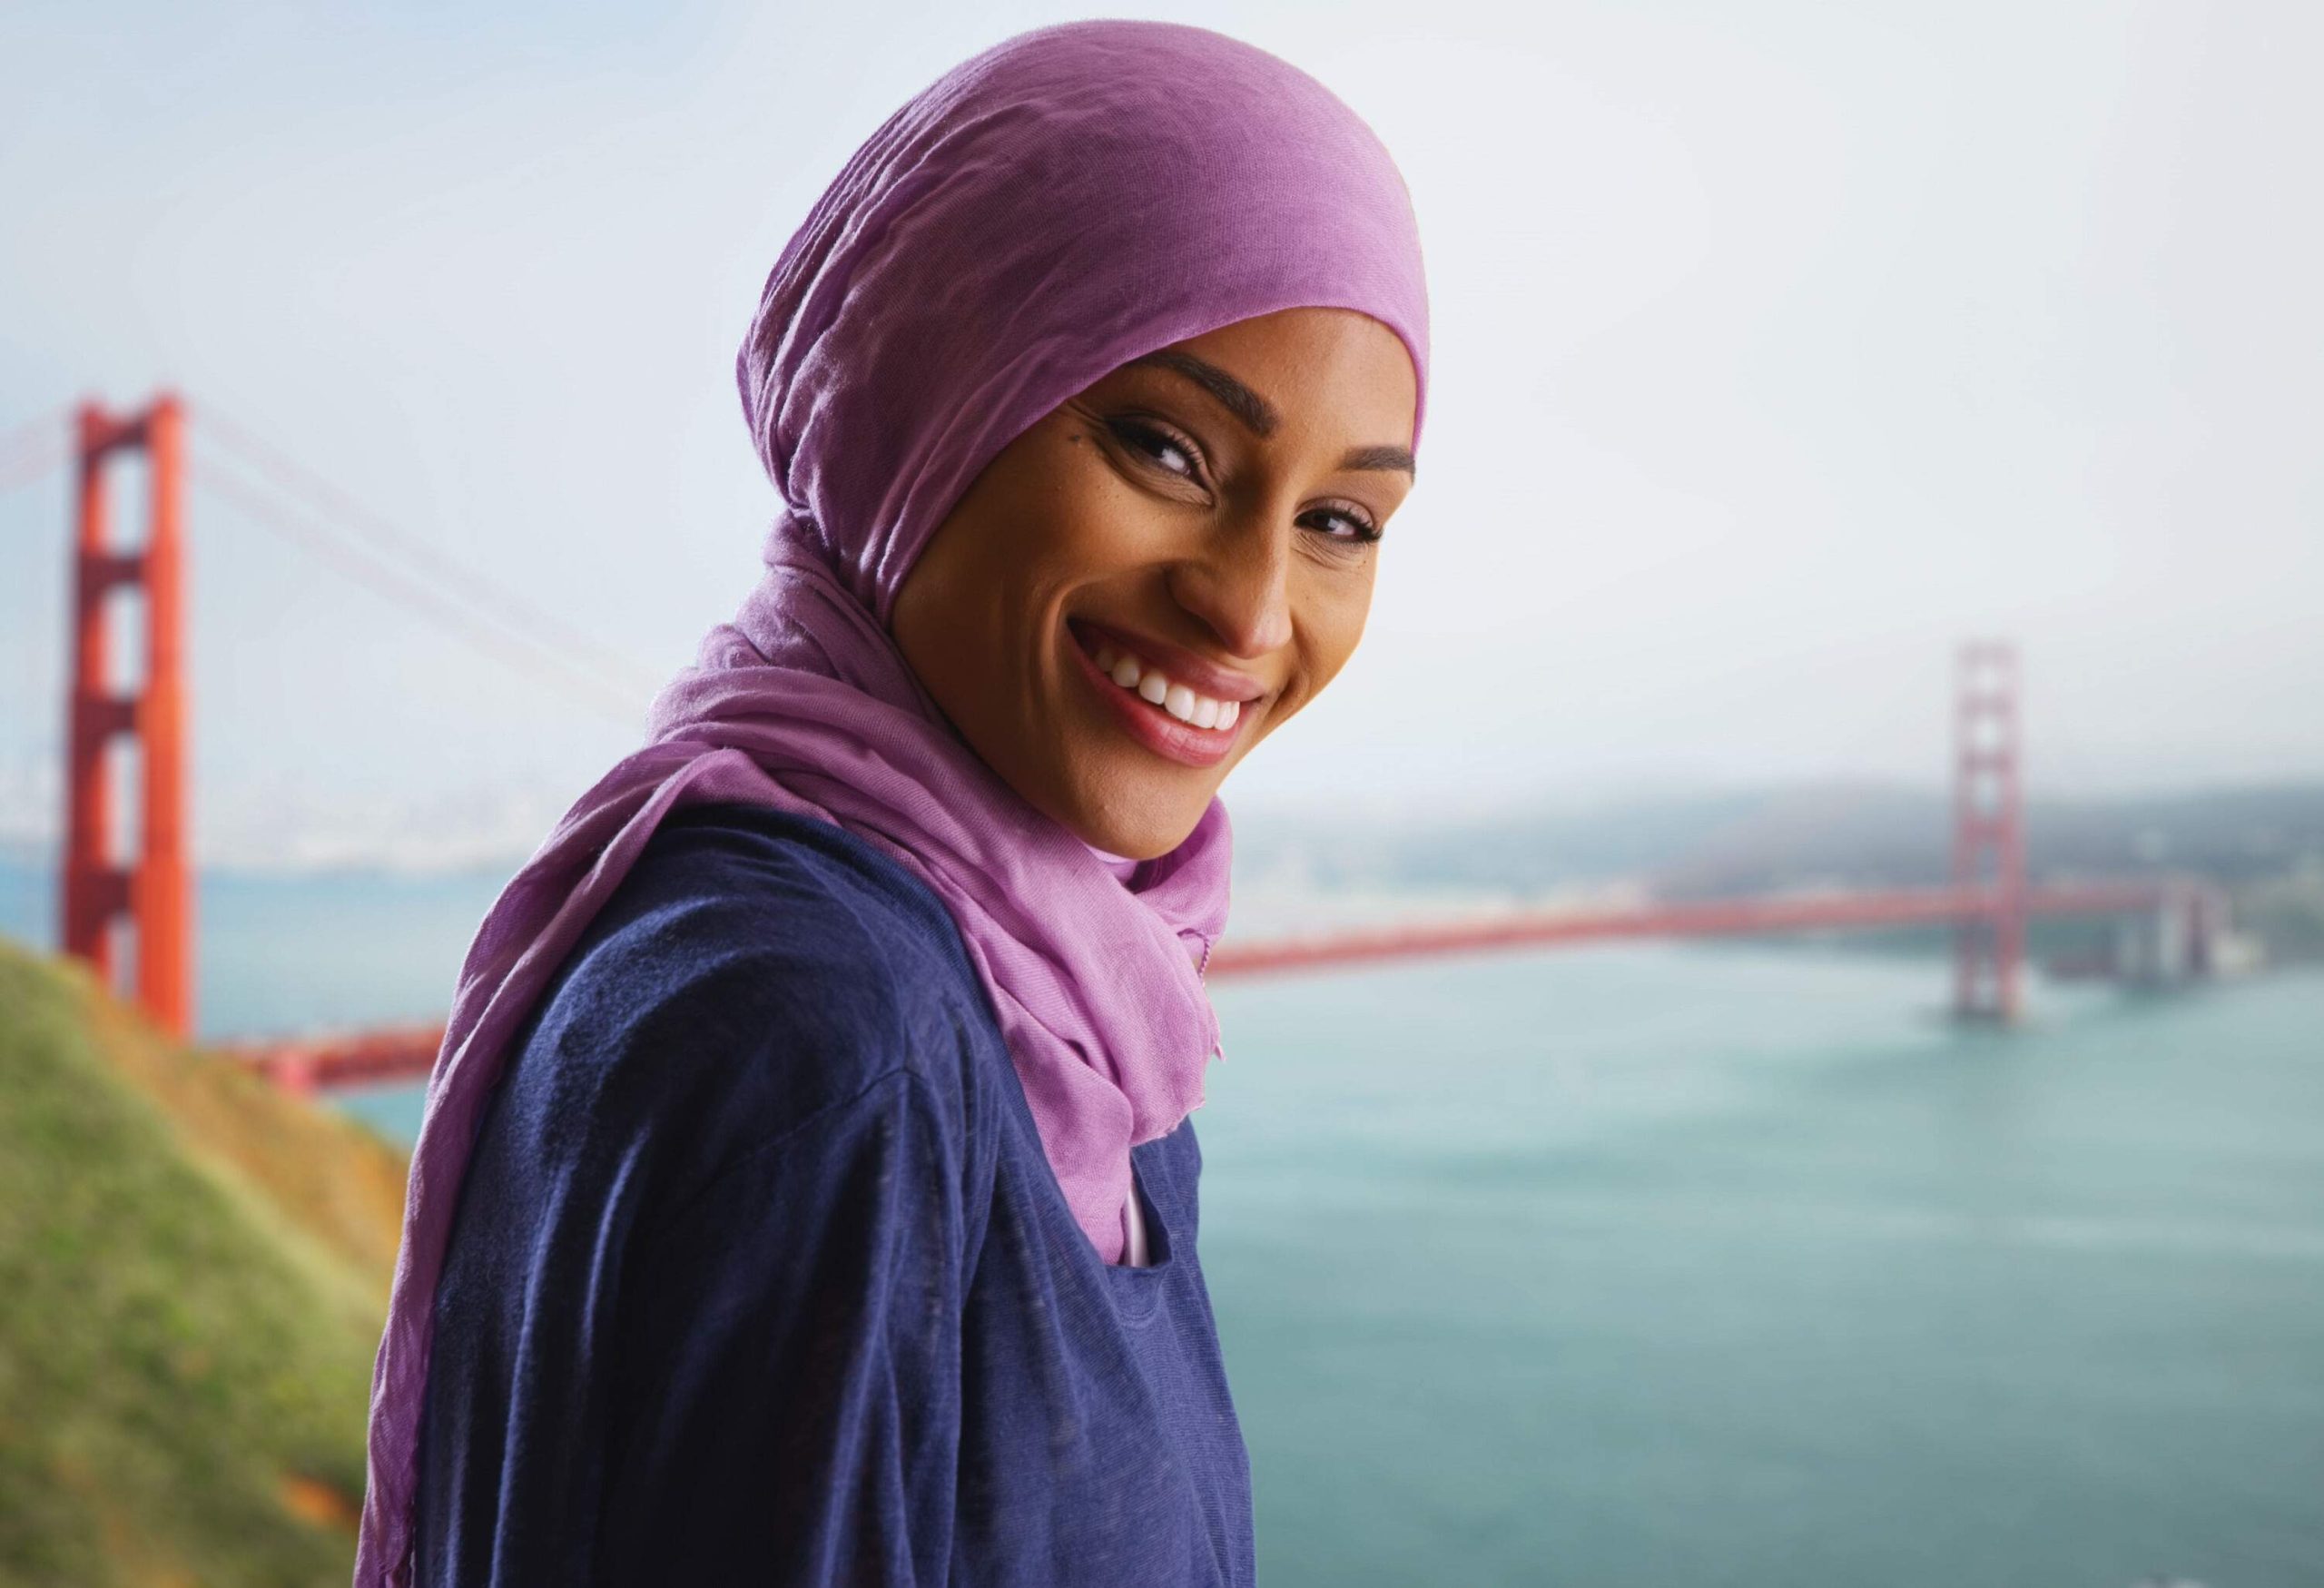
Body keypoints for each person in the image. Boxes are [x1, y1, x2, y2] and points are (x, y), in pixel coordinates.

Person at [354, 19, 1429, 1586]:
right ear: (934, 392)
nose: (1254, 610)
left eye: (1341, 519)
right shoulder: (830, 1038)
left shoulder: (1083, 1025)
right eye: (1165, 447)